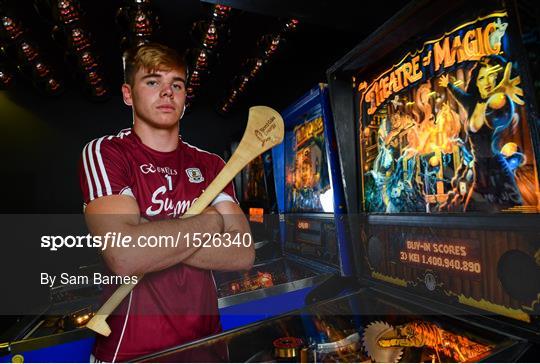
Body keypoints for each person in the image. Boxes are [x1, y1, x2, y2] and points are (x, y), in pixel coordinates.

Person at [79, 43, 254, 362]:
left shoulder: (211, 165)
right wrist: (212, 221)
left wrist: (150, 237)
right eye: (152, 81)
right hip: (131, 351)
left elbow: (242, 252)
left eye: (177, 84)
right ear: (128, 94)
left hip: (208, 349)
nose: (167, 92)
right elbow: (125, 255)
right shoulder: (107, 154)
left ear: (186, 97)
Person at [438, 55, 524, 212]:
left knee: (511, 212)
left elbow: (503, 111)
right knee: (472, 210)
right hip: (479, 167)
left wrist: (502, 96)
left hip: (496, 167)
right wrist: (448, 85)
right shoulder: (471, 102)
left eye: (492, 75)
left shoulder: (498, 102)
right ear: (476, 82)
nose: (488, 82)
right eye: (483, 77)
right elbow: (459, 94)